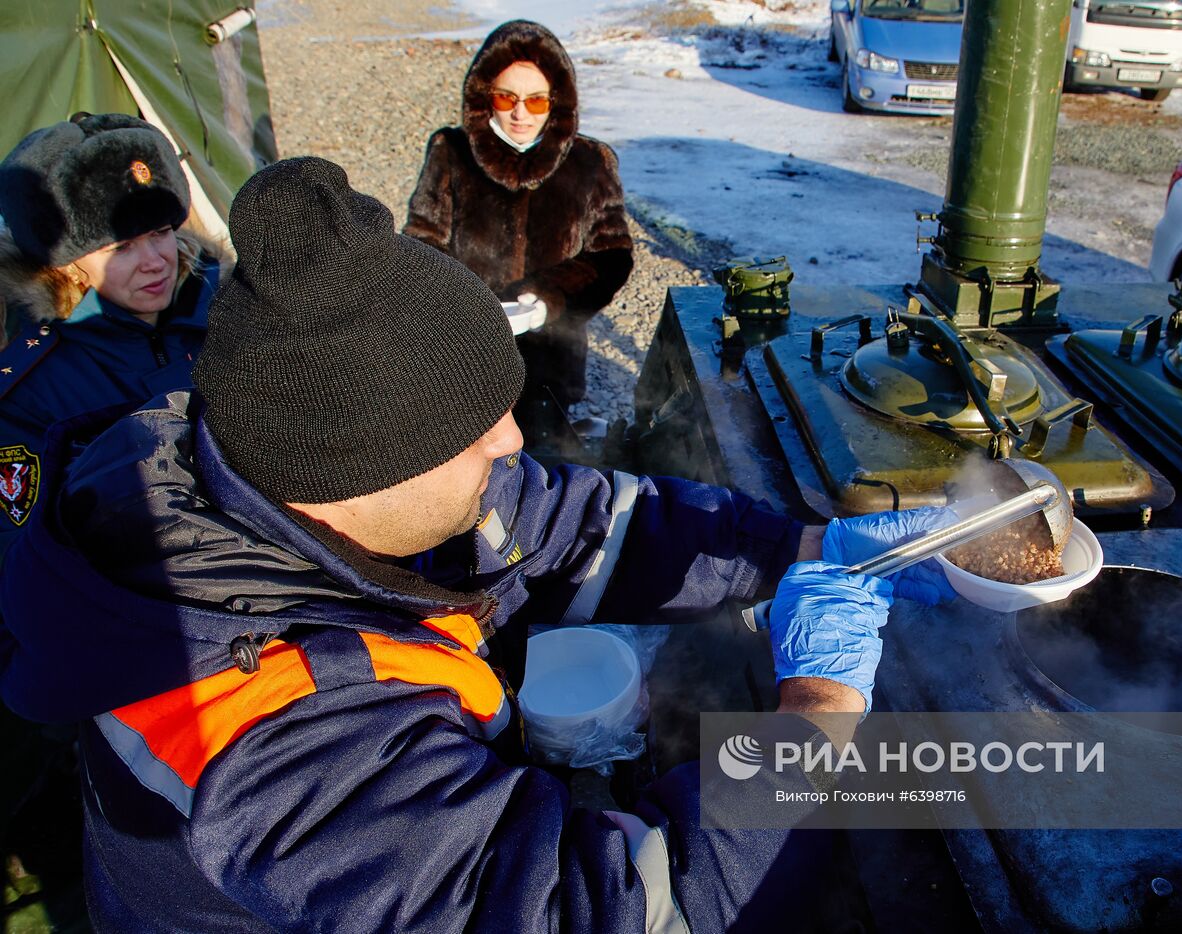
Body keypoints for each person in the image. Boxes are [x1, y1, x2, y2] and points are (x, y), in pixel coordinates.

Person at [0, 157, 953, 932]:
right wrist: (816, 719)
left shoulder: (286, 487)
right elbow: (603, 914)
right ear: (357, 466)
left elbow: (575, 527)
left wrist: (809, 549)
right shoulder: (268, 754)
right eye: (474, 428)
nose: (510, 442)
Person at [0, 113, 223, 557]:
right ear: (64, 262)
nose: (156, 260)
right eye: (122, 247)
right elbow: (22, 559)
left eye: (161, 233)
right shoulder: (32, 390)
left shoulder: (228, 310)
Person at [404, 19, 633, 442]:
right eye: (506, 97)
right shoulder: (451, 154)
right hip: (464, 358)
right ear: (484, 96)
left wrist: (552, 298)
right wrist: (459, 311)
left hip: (551, 361)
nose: (520, 113)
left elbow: (611, 255)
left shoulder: (590, 162)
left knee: (544, 474)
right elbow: (420, 245)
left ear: (557, 101)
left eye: (537, 101)